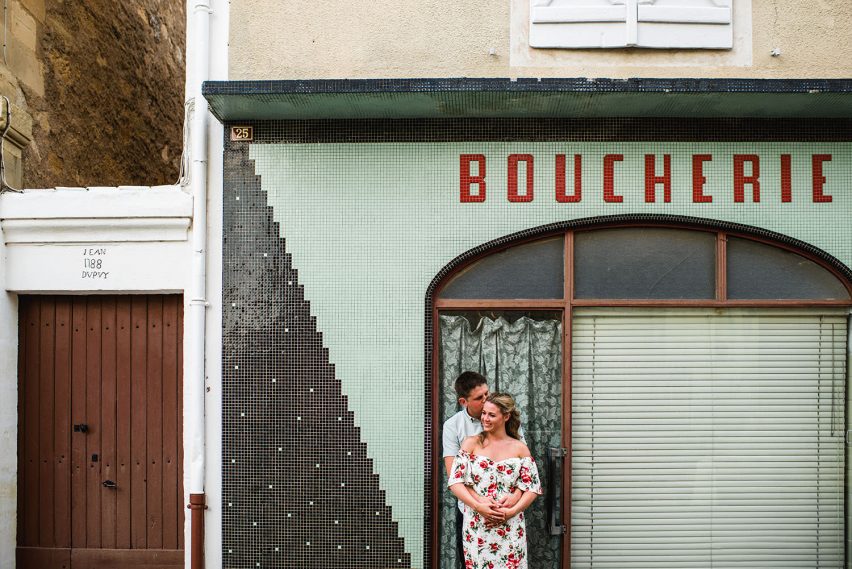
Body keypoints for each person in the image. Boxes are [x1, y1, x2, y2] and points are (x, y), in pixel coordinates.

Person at [448, 393, 542, 569]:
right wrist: (478, 506)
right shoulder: (471, 444)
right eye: (484, 413)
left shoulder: (520, 448)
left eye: (491, 415)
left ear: (506, 416)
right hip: (477, 525)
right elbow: (455, 482)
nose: (485, 418)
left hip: (510, 526)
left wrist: (512, 511)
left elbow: (532, 487)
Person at [443, 372, 525, 566]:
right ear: (464, 401)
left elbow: (525, 467)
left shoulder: (507, 420)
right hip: (471, 511)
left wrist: (514, 498)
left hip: (509, 510)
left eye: (487, 393)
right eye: (479, 398)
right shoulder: (453, 426)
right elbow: (454, 475)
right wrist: (480, 505)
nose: (486, 400)